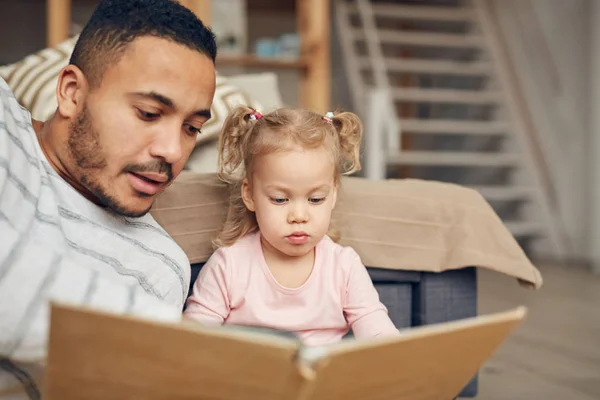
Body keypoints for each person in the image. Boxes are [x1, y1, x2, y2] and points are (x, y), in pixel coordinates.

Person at [0, 0, 217, 397]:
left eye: (191, 128)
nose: (172, 151)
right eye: (149, 113)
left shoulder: (158, 266)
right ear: (71, 92)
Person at [184, 107, 399, 346]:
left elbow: (377, 329)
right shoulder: (229, 265)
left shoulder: (343, 266)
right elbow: (194, 336)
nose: (298, 216)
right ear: (250, 195)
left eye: (316, 199)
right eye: (280, 199)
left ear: (333, 194)